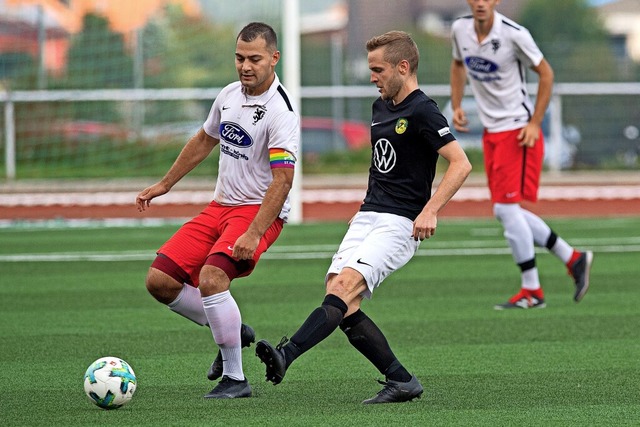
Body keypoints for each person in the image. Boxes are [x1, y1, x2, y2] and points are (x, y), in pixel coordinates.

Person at [255, 30, 472, 404]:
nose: (373, 77)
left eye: (379, 69)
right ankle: (401, 379)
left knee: (342, 291)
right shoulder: (380, 107)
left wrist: (430, 210)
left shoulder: (423, 110)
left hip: (400, 223)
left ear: (403, 67)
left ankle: (286, 354)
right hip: (368, 215)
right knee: (340, 298)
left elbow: (461, 163)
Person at [135, 22, 299, 399]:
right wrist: (165, 184)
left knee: (212, 279)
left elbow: (282, 182)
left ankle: (236, 379)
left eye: (255, 59)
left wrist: (255, 232)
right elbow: (204, 139)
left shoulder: (281, 111)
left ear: (274, 58)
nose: (245, 66)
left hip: (258, 213)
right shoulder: (228, 95)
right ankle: (229, 328)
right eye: (240, 58)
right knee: (160, 280)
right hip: (219, 207)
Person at [450, 0, 593, 310]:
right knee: (507, 210)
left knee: (505, 208)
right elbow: (459, 64)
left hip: (517, 130)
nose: (480, 3)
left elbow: (546, 74)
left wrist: (535, 123)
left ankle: (533, 289)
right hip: (492, 132)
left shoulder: (515, 34)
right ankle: (573, 258)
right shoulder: (459, 29)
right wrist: (457, 104)